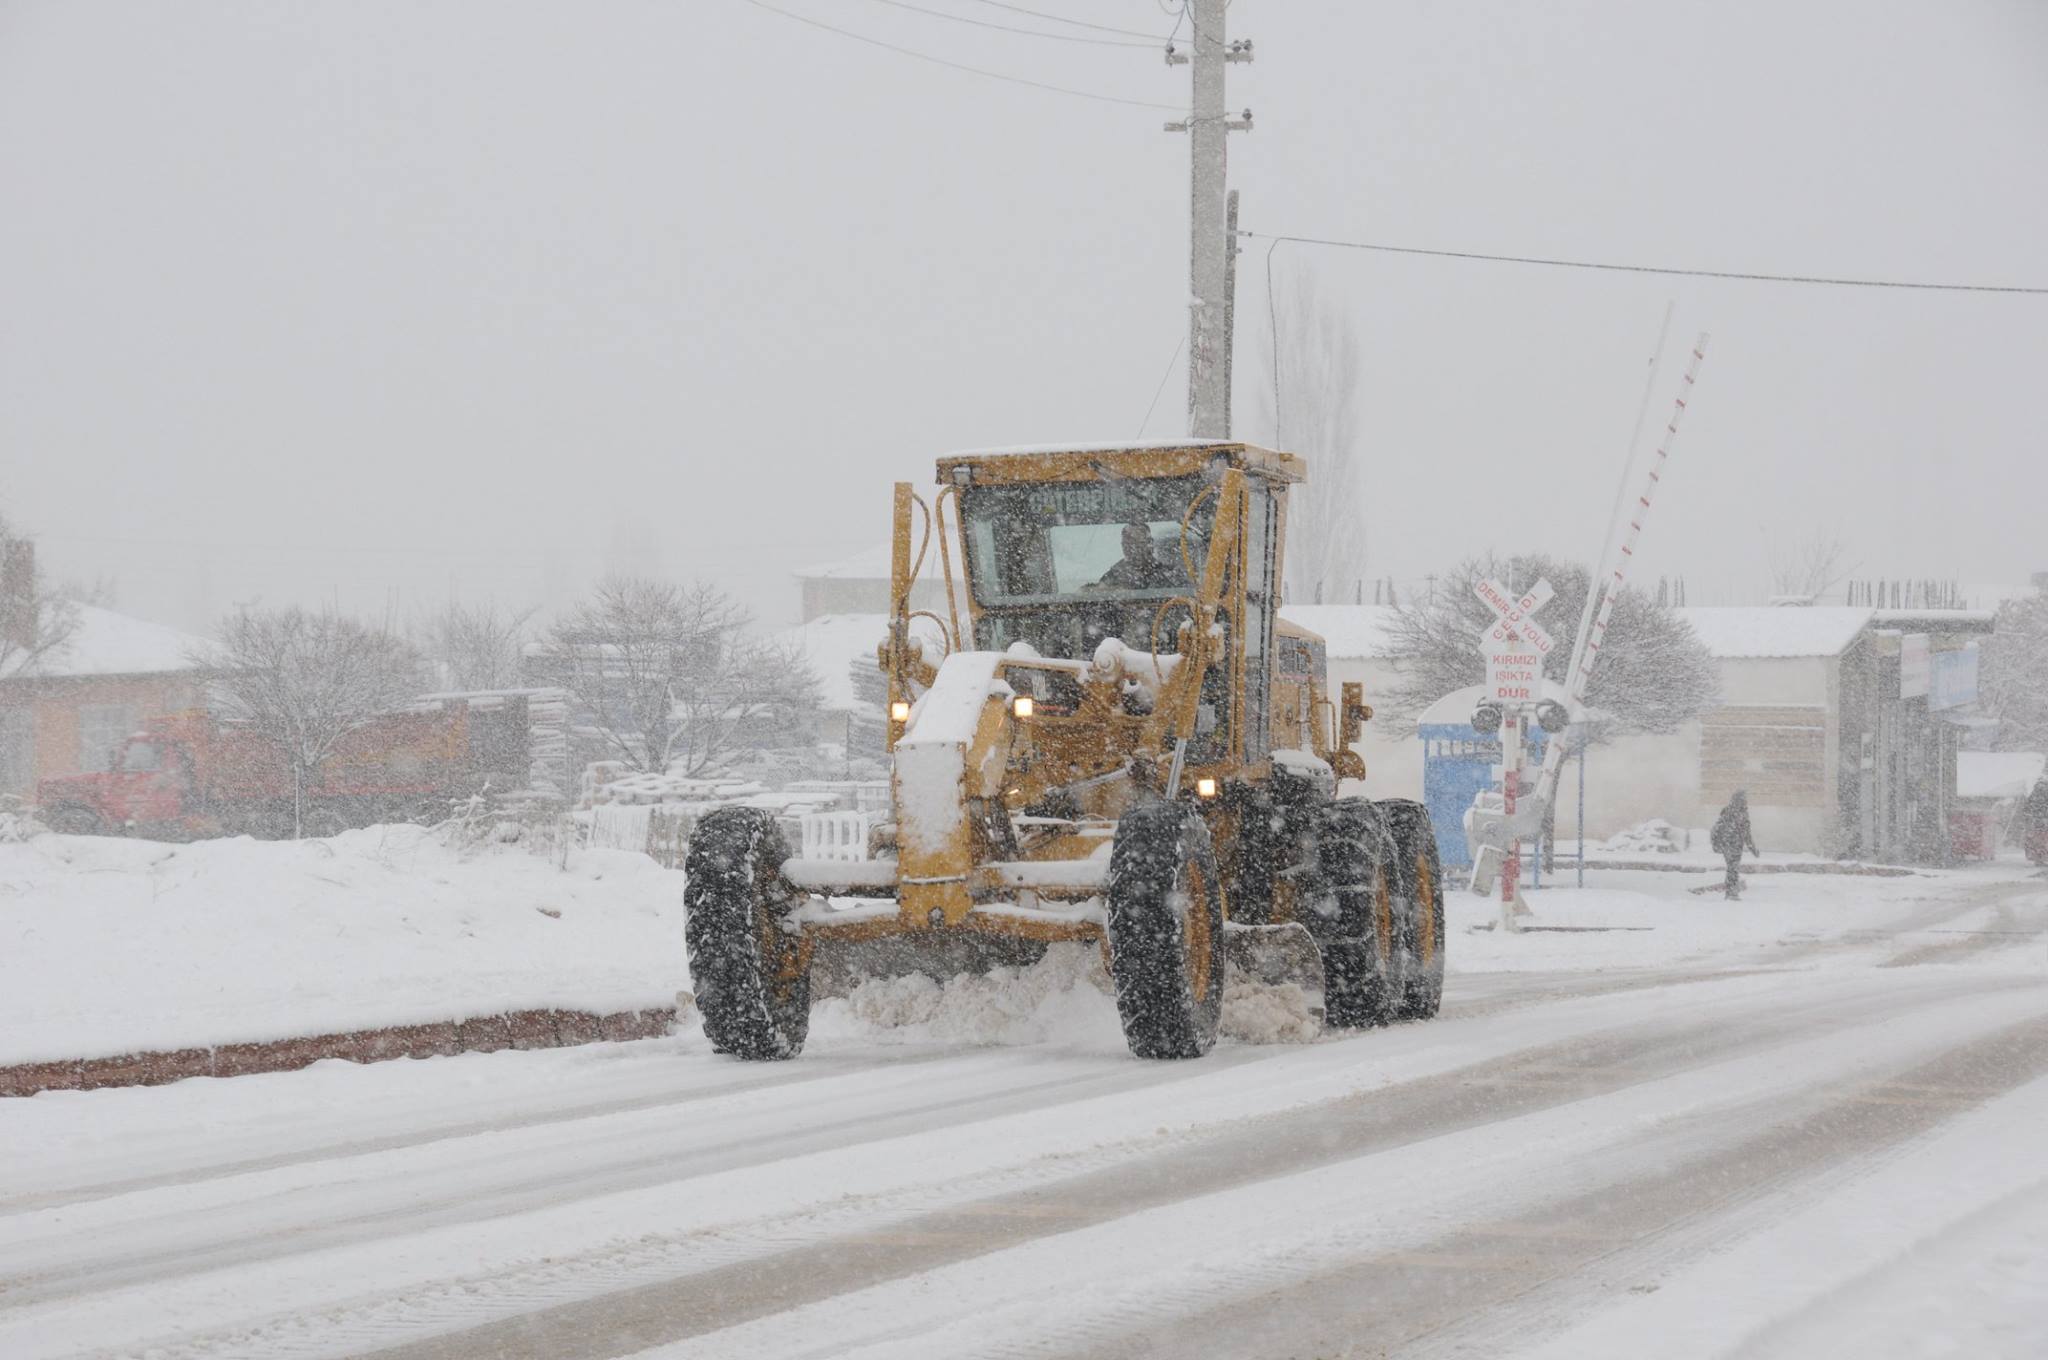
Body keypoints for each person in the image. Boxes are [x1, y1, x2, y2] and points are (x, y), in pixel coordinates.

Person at [1095, 521, 1180, 591]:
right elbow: (1101, 596)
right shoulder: (1113, 575)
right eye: (1126, 544)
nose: (1129, 549)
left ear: (1150, 544)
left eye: (1136, 543)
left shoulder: (1168, 573)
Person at [1711, 790, 1760, 899]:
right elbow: (1746, 834)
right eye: (1745, 799)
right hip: (1733, 846)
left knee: (1731, 869)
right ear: (1741, 800)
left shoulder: (1728, 811)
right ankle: (1731, 893)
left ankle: (1731, 892)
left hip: (1728, 845)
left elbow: (1720, 828)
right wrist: (1753, 849)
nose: (1746, 801)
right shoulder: (1740, 813)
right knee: (1733, 869)